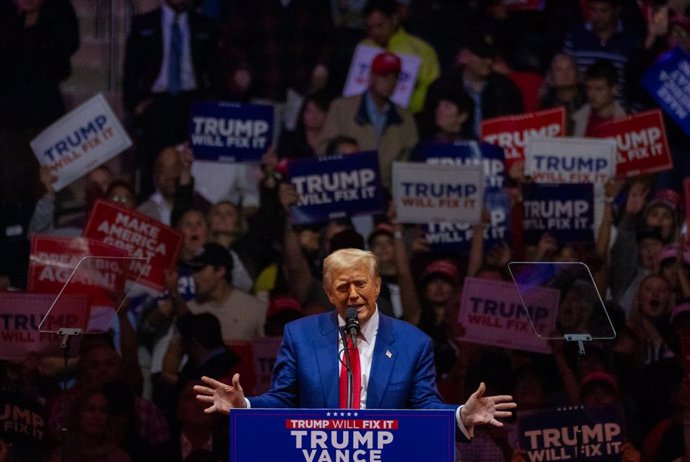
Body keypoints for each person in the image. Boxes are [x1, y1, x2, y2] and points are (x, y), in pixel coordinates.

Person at [194, 248, 516, 440]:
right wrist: (245, 406)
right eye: (342, 286)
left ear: (376, 286)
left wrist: (461, 415)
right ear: (329, 292)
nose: (352, 295)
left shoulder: (413, 343)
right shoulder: (299, 336)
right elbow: (283, 399)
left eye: (361, 284)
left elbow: (424, 408)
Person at [318, 51, 418, 189]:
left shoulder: (406, 118)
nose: (389, 82)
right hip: (348, 190)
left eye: (394, 77)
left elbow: (410, 163)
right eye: (384, 76)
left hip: (388, 197)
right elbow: (323, 149)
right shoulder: (342, 108)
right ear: (372, 76)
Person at [571, 59, 626, 136]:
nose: (592, 94)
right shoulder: (577, 119)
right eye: (589, 88)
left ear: (614, 89)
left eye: (599, 89)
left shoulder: (626, 120)